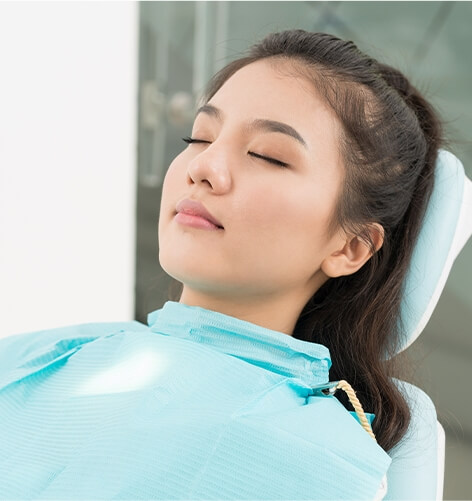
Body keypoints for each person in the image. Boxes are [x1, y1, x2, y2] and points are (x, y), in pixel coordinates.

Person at [0, 29, 446, 499]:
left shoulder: (311, 456)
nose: (204, 167)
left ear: (350, 247)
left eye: (267, 156)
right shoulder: (53, 354)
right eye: (199, 136)